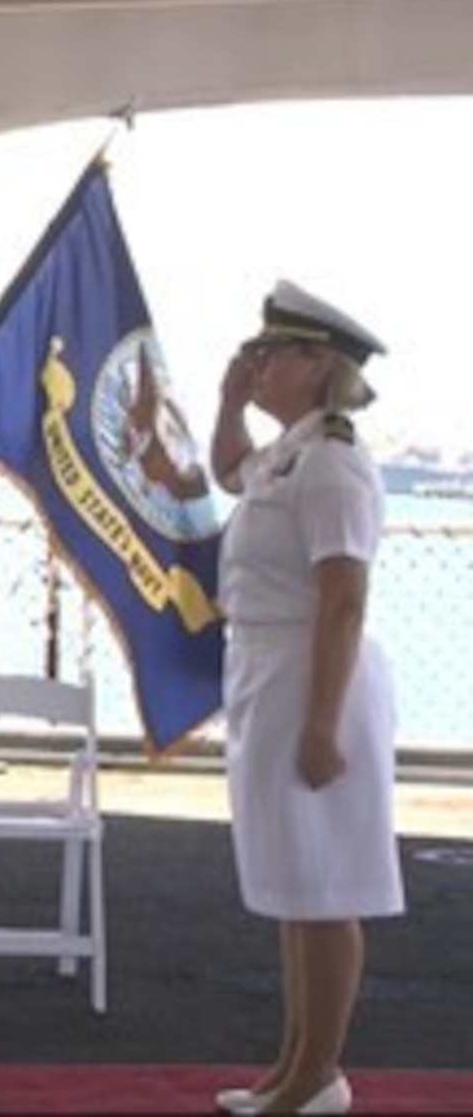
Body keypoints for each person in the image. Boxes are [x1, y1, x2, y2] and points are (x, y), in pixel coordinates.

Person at [209, 280, 404, 1116]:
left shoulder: (332, 460)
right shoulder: (288, 451)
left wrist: (323, 725)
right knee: (295, 884)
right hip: (270, 671)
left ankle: (319, 1076)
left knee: (326, 889)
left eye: (270, 352)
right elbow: (226, 469)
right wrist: (228, 401)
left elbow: (343, 601)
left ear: (317, 364)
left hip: (314, 675)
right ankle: (292, 1067)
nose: (255, 363)